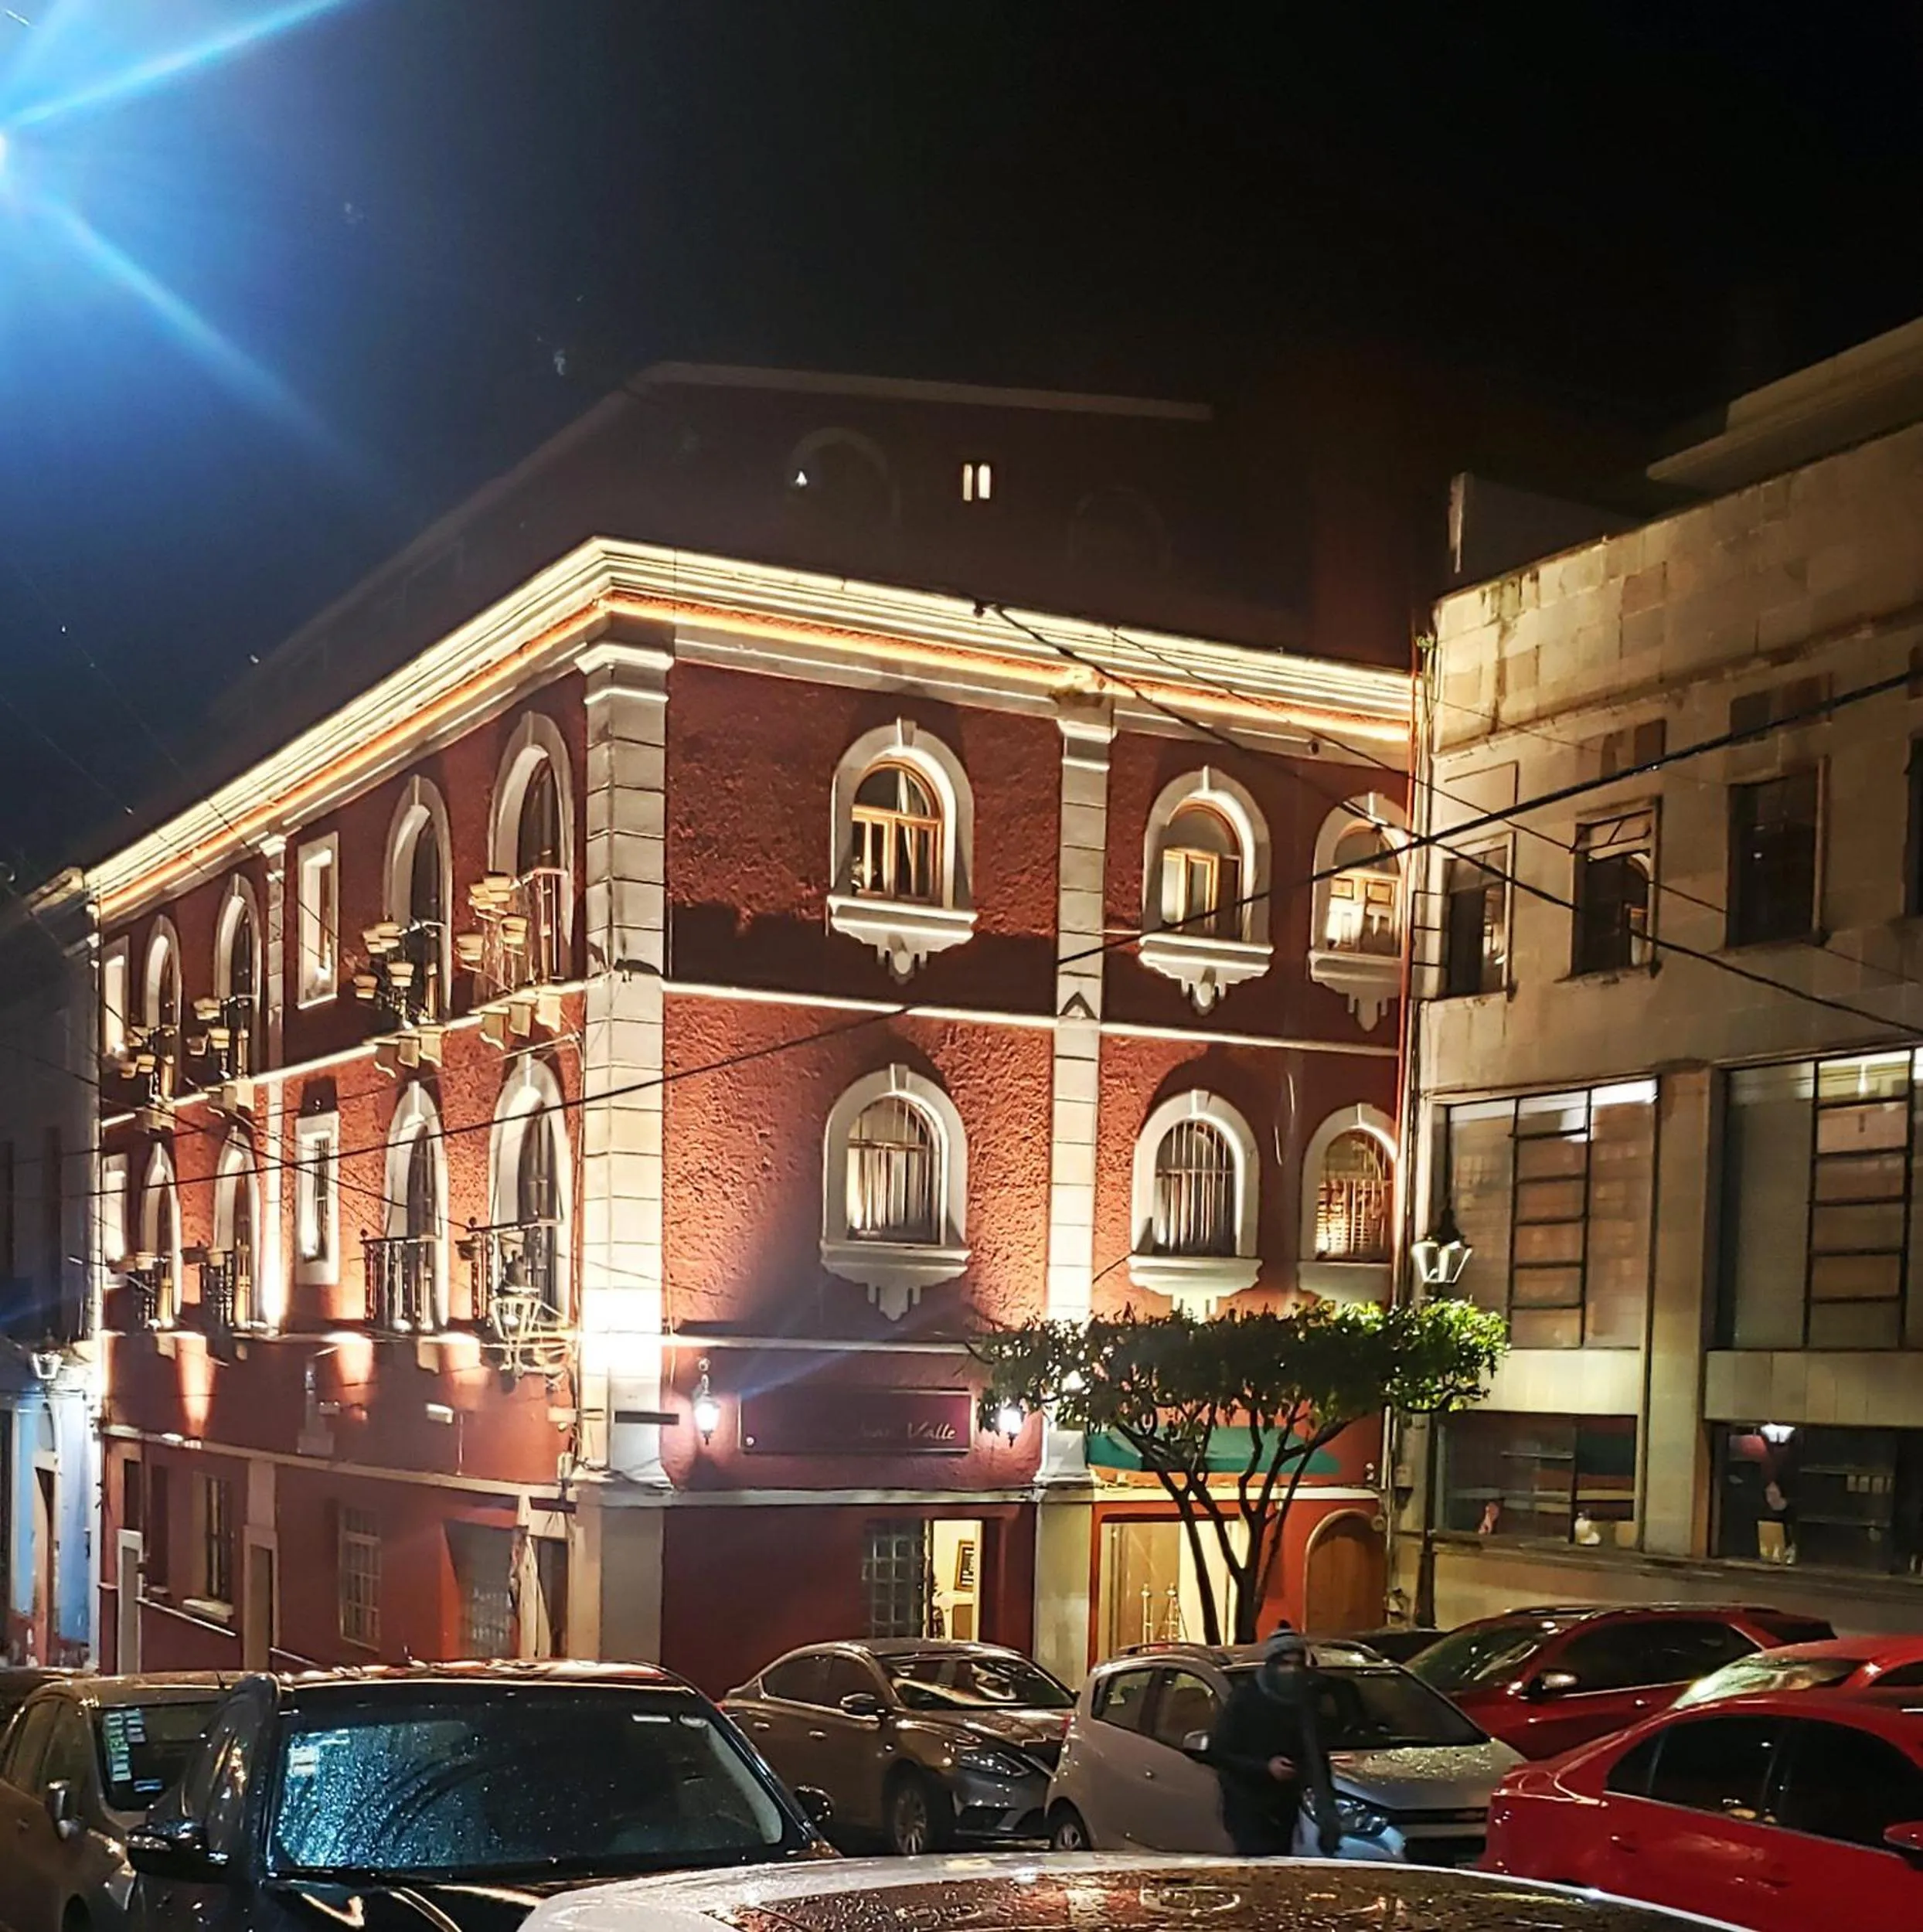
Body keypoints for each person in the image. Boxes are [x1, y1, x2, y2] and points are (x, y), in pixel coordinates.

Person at [1205, 1631, 1339, 1857]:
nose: (1292, 1670)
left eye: (1297, 1664)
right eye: (1285, 1664)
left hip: (1288, 1806)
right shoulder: (1246, 1699)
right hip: (1248, 1805)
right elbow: (1221, 1753)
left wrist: (1327, 1813)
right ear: (1272, 1664)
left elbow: (1316, 1754)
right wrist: (1266, 1768)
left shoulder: (1306, 1701)